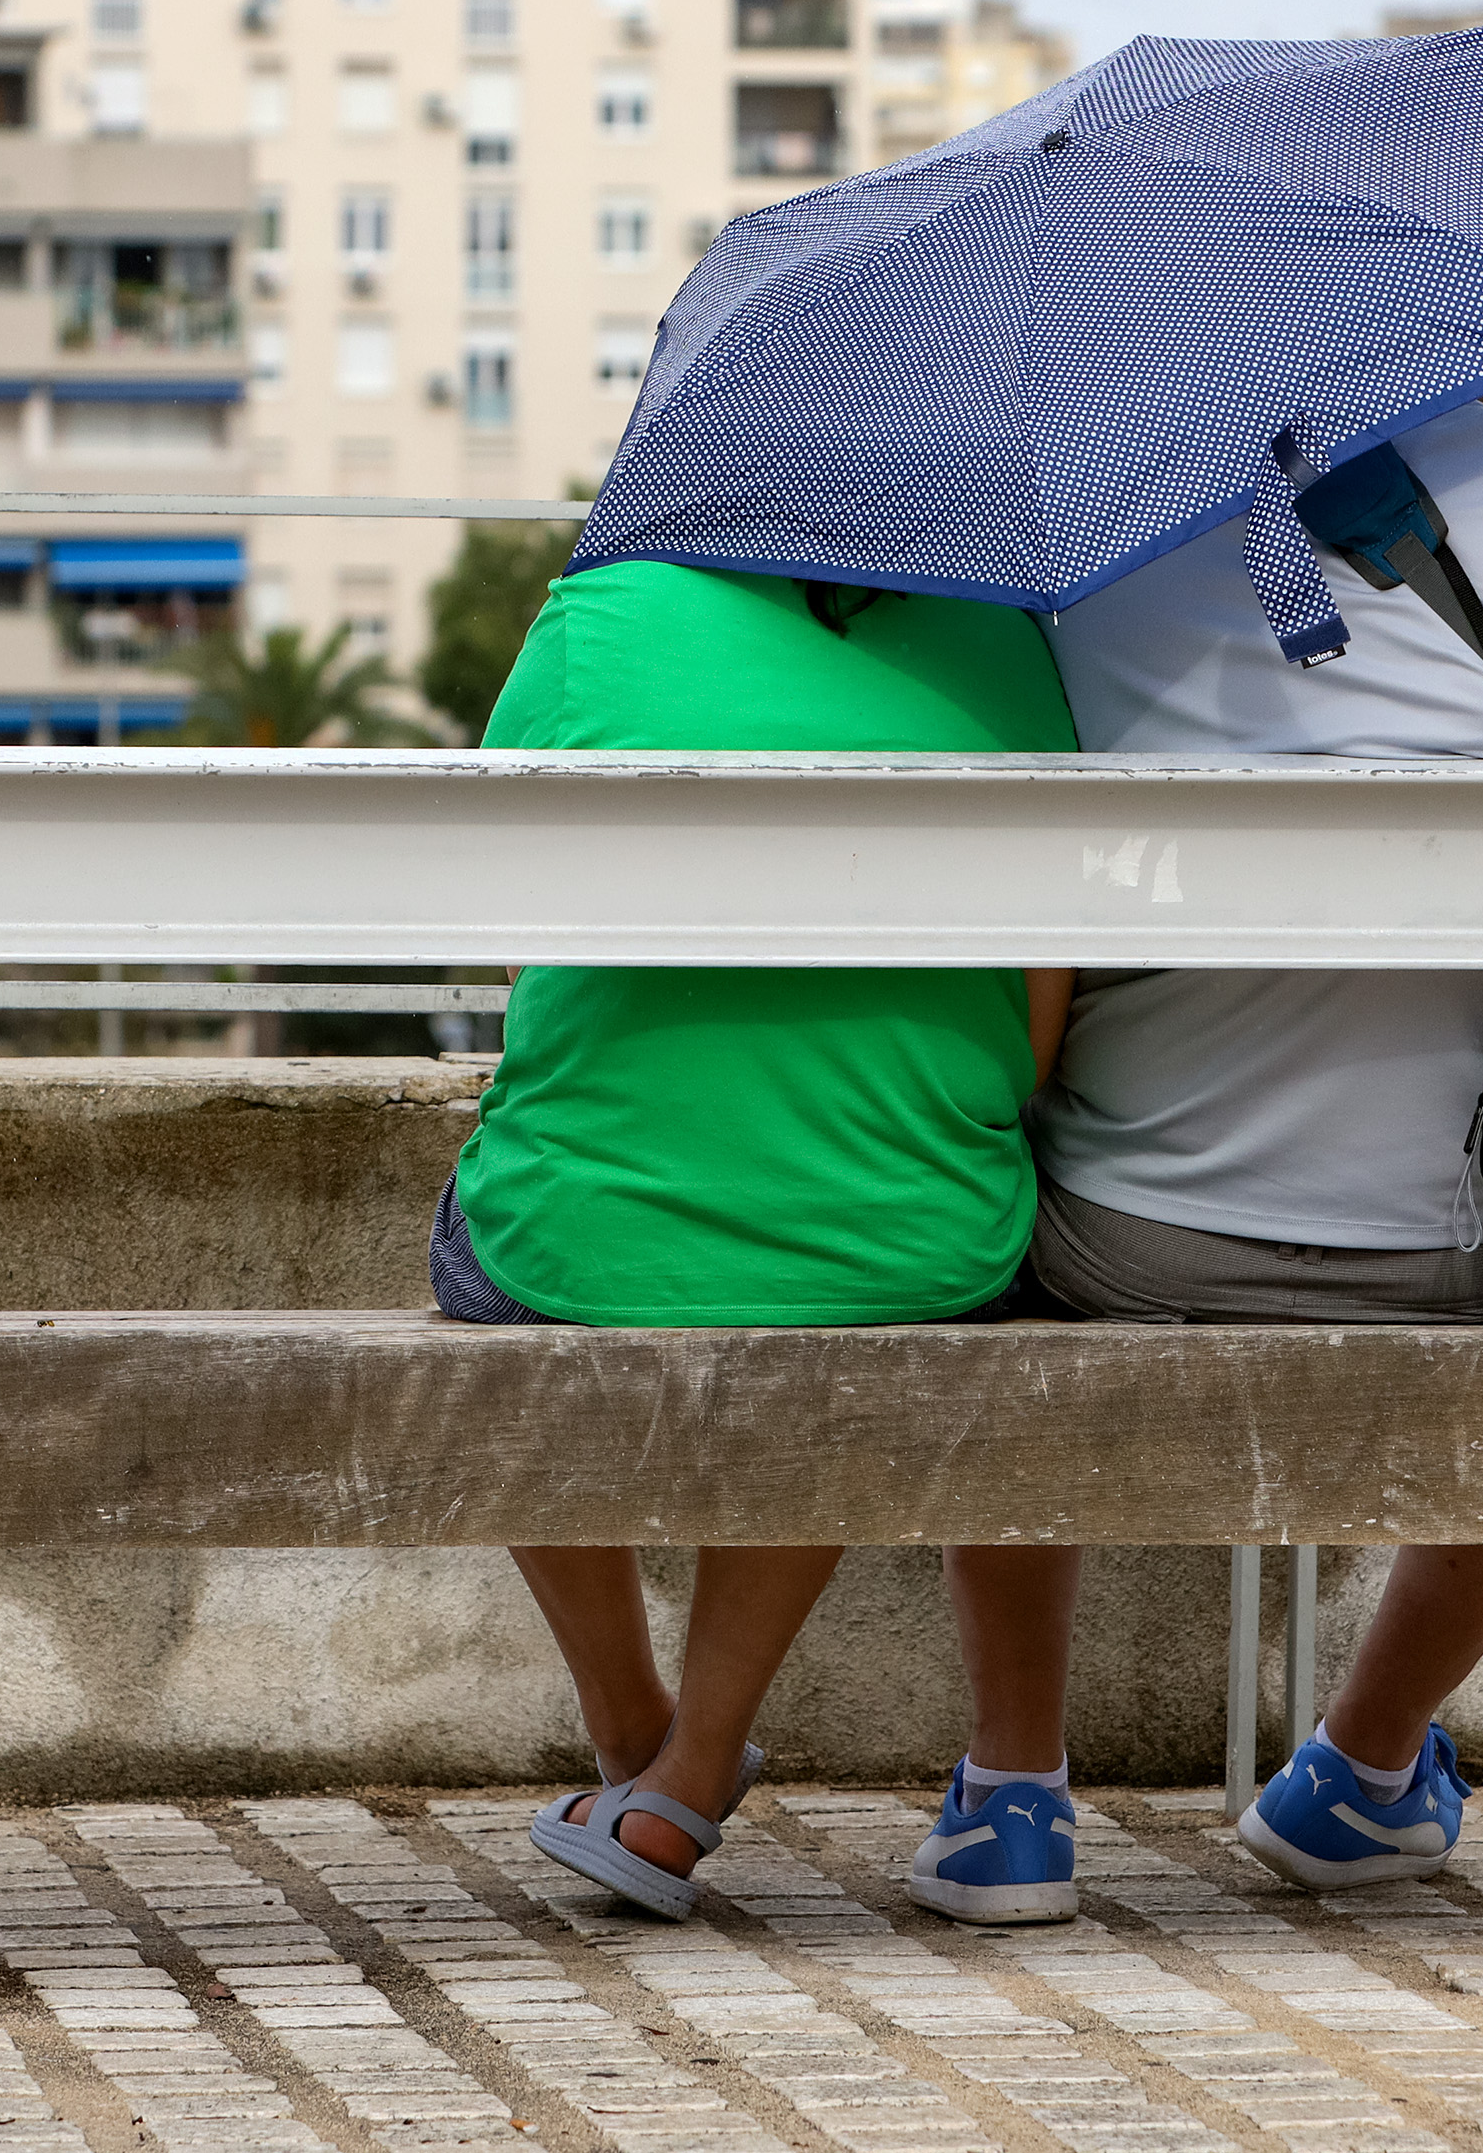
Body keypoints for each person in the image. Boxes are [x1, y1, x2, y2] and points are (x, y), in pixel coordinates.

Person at [907, 394, 1483, 1926]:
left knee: (993, 1238)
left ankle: (1013, 1796)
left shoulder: (1068, 535)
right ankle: (1365, 1767)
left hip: (1126, 1245)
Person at [434, 557, 1078, 1921]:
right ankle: (691, 1761)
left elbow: (501, 915)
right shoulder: (1008, 643)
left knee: (504, 1270)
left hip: (581, 1230)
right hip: (914, 1233)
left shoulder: (597, 614)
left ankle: (634, 1742)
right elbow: (1029, 1049)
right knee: (840, 1276)